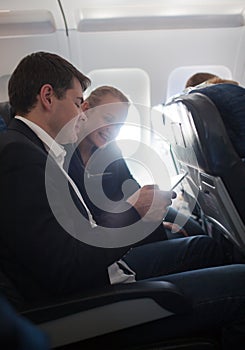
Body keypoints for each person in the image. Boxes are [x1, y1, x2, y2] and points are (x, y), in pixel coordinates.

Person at [0, 52, 245, 349]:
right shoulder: (20, 157)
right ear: (48, 97)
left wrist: (142, 214)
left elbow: (72, 240)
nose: (81, 113)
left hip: (102, 279)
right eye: (78, 102)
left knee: (204, 249)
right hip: (92, 304)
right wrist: (133, 213)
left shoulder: (33, 149)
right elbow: (65, 270)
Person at [67, 85, 205, 238]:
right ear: (86, 108)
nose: (112, 130)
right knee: (199, 243)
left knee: (194, 229)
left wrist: (154, 213)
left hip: (130, 218)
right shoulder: (65, 157)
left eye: (119, 125)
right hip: (113, 230)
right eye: (108, 119)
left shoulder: (111, 151)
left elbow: (131, 186)